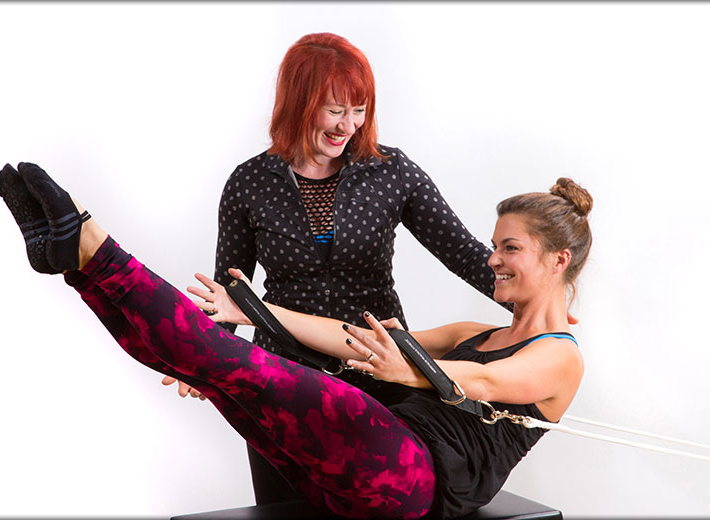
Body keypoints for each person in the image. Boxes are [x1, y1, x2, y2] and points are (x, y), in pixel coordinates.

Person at [0, 161, 591, 519]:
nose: (493, 259)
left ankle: (90, 243)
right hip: (365, 466)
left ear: (558, 260)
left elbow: (481, 381)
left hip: (412, 478)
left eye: (509, 248)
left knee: (238, 366)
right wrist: (252, 311)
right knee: (221, 368)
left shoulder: (561, 358)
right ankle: (73, 265)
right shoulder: (475, 332)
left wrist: (409, 370)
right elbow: (350, 337)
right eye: (495, 245)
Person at [167, 31, 578, 504]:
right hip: (283, 375)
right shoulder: (249, 183)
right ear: (298, 102)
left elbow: (467, 254)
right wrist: (195, 358)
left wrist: (544, 307)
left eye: (359, 110)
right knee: (285, 507)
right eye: (336, 110)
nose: (349, 125)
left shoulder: (392, 172)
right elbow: (230, 295)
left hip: (379, 372)